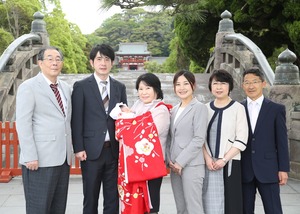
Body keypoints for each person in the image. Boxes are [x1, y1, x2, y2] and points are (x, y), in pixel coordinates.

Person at [71, 44, 127, 214]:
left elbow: (122, 118)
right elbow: (77, 119)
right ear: (92, 62)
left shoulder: (119, 87)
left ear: (112, 63)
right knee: (90, 196)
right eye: (99, 59)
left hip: (114, 151)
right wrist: (78, 147)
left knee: (112, 198)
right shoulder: (81, 86)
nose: (103, 63)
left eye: (107, 59)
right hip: (91, 151)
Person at [16, 46, 72, 214]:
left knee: (58, 208)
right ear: (40, 63)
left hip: (63, 159)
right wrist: (30, 155)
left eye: (58, 59)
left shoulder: (65, 88)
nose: (55, 62)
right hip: (39, 160)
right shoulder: (29, 86)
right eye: (50, 59)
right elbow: (23, 123)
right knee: (38, 208)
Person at [116, 73, 171, 214]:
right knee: (134, 202)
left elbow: (146, 134)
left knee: (149, 204)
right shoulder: (137, 105)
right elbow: (126, 128)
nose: (144, 92)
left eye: (148, 88)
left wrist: (128, 120)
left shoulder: (161, 109)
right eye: (140, 89)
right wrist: (130, 122)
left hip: (150, 165)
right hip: (134, 164)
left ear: (156, 89)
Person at [241, 67, 290, 214]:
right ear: (242, 85)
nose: (251, 86)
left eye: (255, 82)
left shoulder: (276, 109)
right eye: (247, 82)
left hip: (269, 169)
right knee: (244, 210)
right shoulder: (238, 108)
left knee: (273, 209)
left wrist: (283, 169)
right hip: (244, 169)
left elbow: (281, 141)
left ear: (263, 83)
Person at [202, 69, 248, 214]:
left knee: (231, 203)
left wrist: (224, 159)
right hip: (208, 163)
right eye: (215, 83)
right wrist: (207, 158)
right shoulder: (205, 108)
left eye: (223, 83)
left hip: (230, 162)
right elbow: (200, 138)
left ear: (229, 87)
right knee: (208, 202)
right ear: (210, 86)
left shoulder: (238, 108)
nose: (219, 87)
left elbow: (241, 139)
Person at [165, 70, 207, 214]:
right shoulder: (174, 110)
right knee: (181, 208)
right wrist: (170, 160)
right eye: (178, 84)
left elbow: (199, 139)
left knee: (194, 207)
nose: (181, 88)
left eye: (185, 84)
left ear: (193, 85)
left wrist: (180, 162)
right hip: (174, 166)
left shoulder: (199, 108)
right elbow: (170, 137)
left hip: (192, 165)